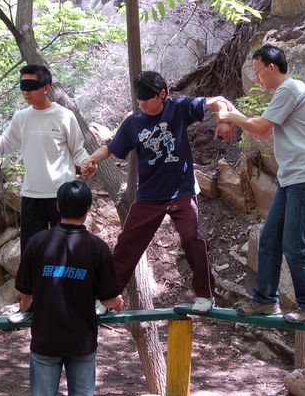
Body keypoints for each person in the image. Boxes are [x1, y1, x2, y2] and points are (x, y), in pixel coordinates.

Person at [81, 71, 234, 313]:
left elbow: (220, 101)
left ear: (162, 94)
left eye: (147, 98)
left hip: (181, 191)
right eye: (139, 99)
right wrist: (91, 159)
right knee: (127, 244)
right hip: (149, 195)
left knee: (191, 239)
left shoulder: (179, 108)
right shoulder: (133, 123)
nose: (142, 103)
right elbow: (110, 149)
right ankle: (107, 298)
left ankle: (205, 294)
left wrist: (223, 120)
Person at [217, 44, 305, 323]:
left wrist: (231, 116)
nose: (257, 79)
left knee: (294, 244)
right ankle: (266, 300)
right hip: (292, 178)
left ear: (272, 67)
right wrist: (234, 114)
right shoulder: (284, 92)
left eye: (258, 72)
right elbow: (264, 131)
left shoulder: (291, 89)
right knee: (269, 239)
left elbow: (260, 128)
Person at [15, 180, 123, 396]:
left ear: (57, 206)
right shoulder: (97, 247)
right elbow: (109, 300)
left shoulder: (37, 242)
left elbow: (25, 296)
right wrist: (118, 303)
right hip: (81, 342)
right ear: (88, 208)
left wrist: (25, 308)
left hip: (45, 339)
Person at [0, 64, 90, 253]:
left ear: (46, 88)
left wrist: (87, 163)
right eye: (23, 87)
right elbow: (3, 146)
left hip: (62, 194)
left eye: (31, 86)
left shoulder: (65, 116)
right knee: (32, 251)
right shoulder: (22, 117)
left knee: (65, 250)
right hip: (32, 194)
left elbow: (78, 150)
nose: (26, 92)